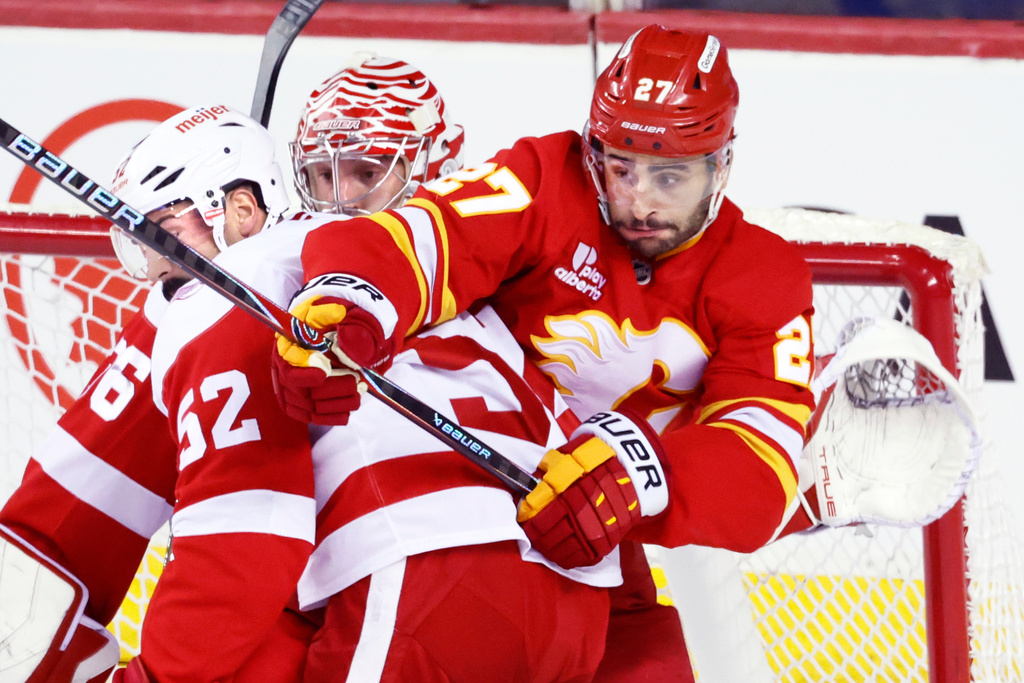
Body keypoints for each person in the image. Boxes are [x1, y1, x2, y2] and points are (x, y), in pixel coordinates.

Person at [272, 25, 817, 681]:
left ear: (720, 165)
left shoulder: (762, 274)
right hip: (468, 501)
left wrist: (641, 470)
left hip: (607, 539)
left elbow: (762, 461)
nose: (639, 200)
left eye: (669, 176)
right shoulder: (548, 180)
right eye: (621, 168)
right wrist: (351, 297)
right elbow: (433, 233)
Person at [151, 55, 618, 682]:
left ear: (431, 170)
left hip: (421, 565)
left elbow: (250, 520)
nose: (337, 197)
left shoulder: (278, 270)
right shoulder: (491, 284)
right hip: (575, 597)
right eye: (319, 173)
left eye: (365, 172)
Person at [0, 104, 312, 683]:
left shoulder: (338, 272)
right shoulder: (179, 314)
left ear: (243, 210)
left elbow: (245, 543)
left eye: (164, 232)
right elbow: (63, 514)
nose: (153, 262)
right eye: (139, 241)